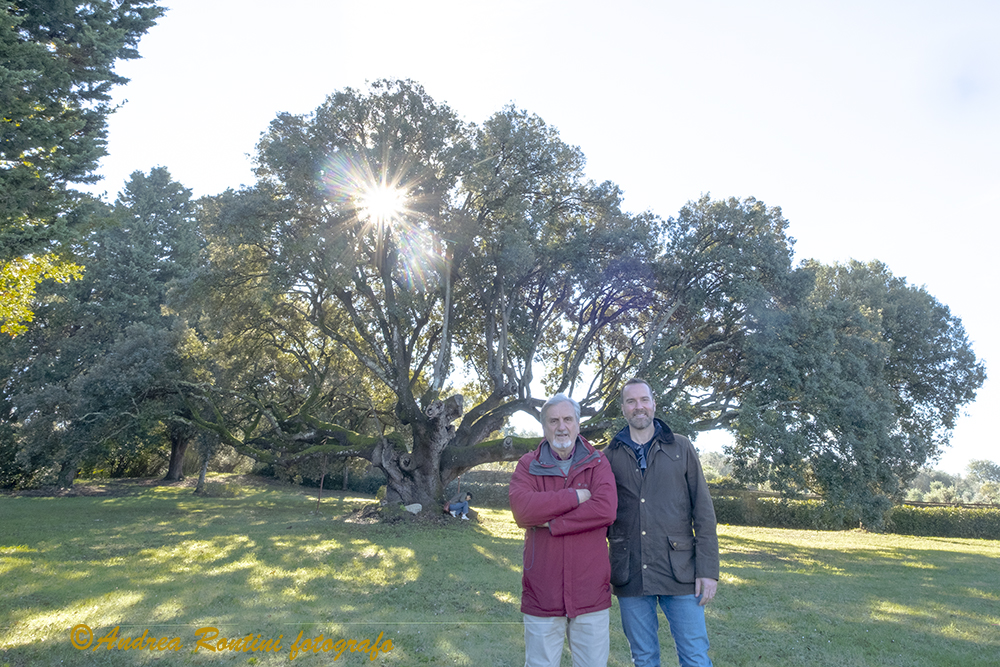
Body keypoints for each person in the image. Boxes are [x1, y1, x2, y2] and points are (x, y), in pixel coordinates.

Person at [605, 378, 720, 667]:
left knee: (695, 656)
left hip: (680, 572)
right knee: (644, 659)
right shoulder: (609, 456)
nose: (638, 406)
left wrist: (708, 571)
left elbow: (703, 512)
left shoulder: (681, 447)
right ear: (623, 409)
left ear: (654, 404)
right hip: (630, 572)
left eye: (644, 400)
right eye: (631, 401)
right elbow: (601, 515)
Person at [509, 393, 617, 667]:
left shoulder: (598, 462)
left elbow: (606, 509)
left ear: (578, 424)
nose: (561, 427)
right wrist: (576, 496)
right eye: (553, 420)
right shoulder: (528, 464)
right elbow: (523, 511)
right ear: (544, 426)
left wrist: (552, 522)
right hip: (542, 592)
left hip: (590, 592)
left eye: (568, 419)